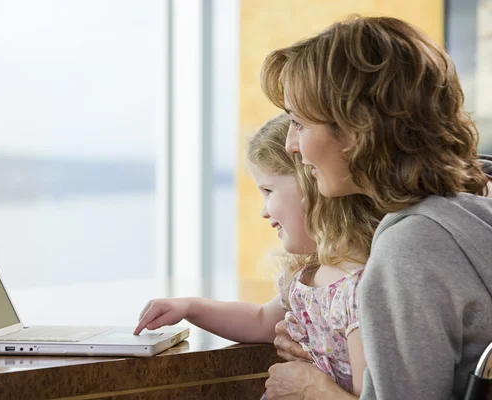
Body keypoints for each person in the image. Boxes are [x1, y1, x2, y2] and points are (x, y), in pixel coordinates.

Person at [260, 15, 492, 399]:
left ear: (356, 128)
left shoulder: (410, 247)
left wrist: (315, 390)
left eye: (299, 123)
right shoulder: (472, 208)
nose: (290, 145)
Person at [134, 113, 383, 396]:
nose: (264, 211)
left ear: (311, 184)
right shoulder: (308, 276)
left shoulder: (357, 289)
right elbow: (260, 320)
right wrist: (190, 308)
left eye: (268, 190)